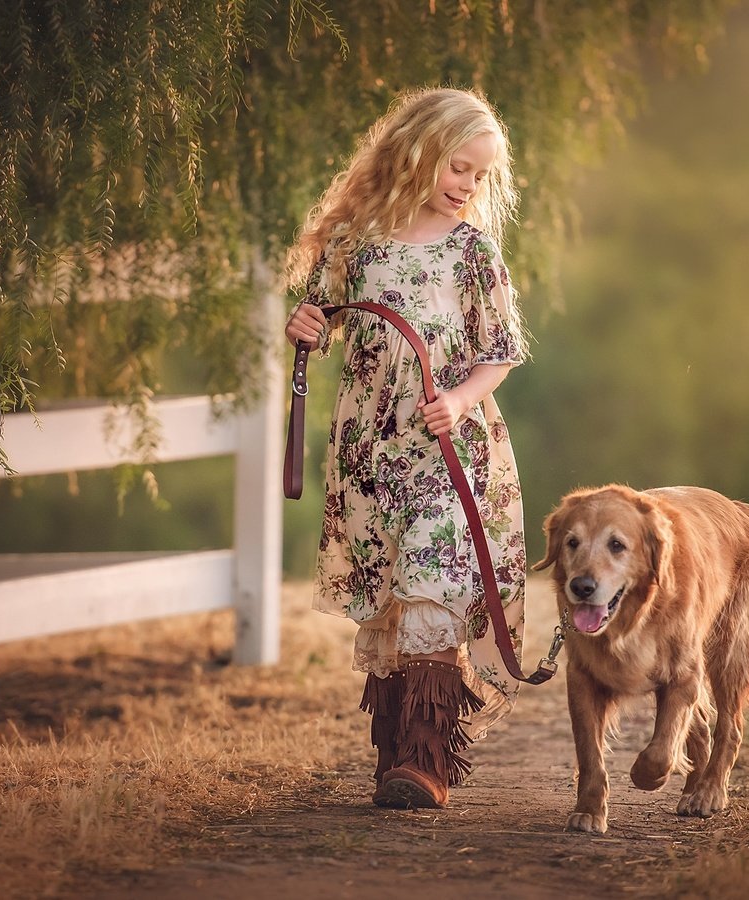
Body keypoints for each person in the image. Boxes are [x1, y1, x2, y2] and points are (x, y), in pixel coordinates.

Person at [283, 87, 530, 810]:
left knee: (434, 584)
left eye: (480, 177)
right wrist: (304, 328)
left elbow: (501, 352)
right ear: (417, 152)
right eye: (459, 168)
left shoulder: (471, 252)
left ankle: (427, 762)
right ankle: (394, 756)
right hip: (370, 449)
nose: (468, 187)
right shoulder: (354, 239)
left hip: (445, 446)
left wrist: (458, 398)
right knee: (389, 594)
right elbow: (318, 318)